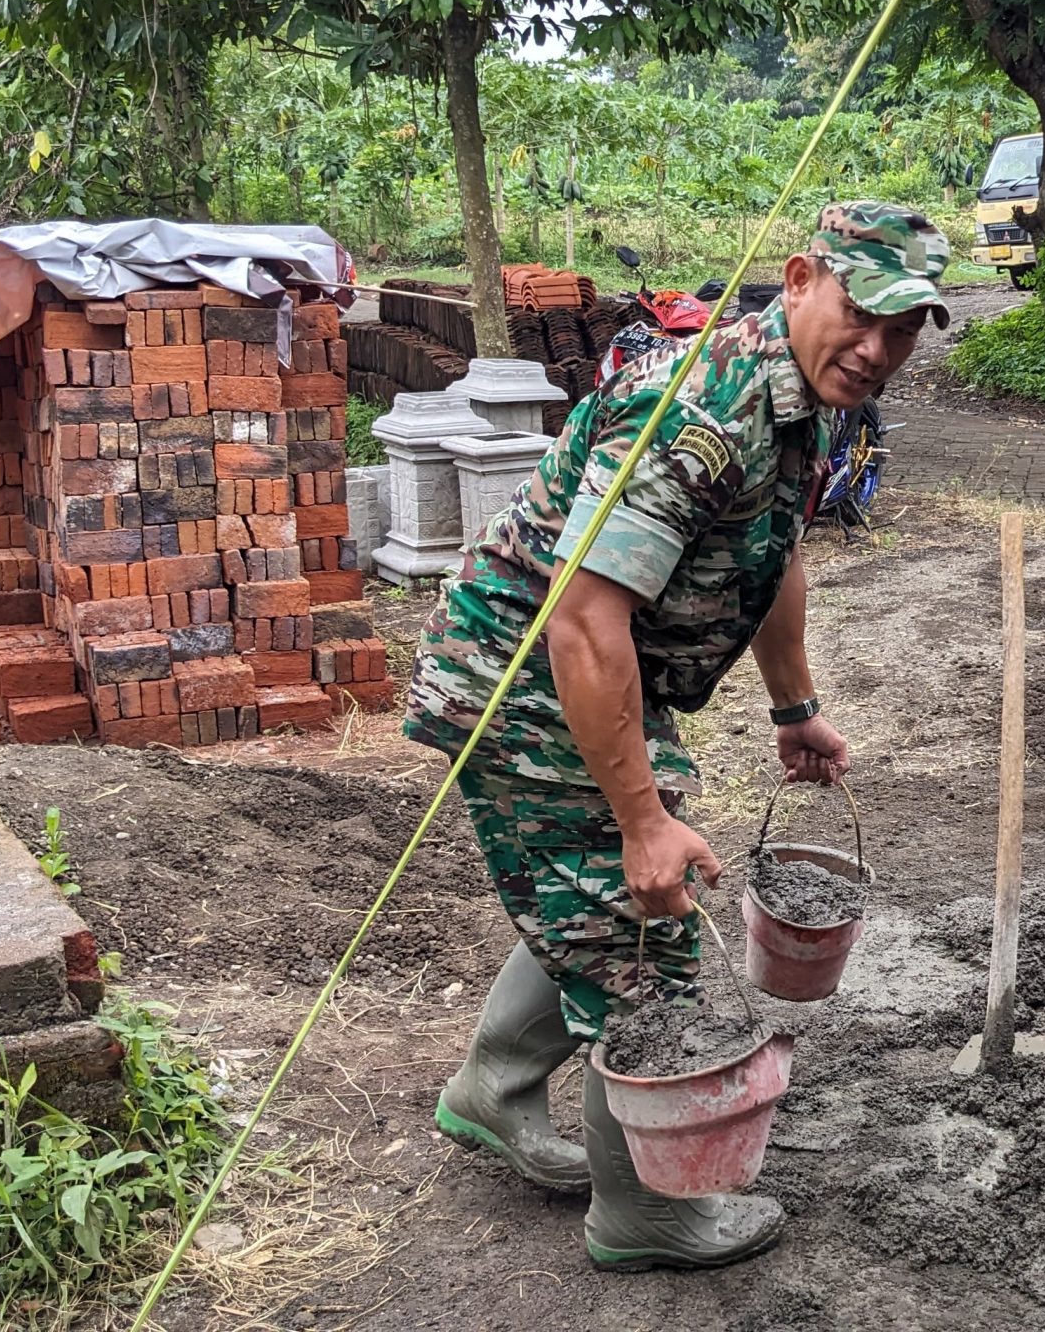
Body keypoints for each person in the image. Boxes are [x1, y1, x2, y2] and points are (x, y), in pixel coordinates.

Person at [406, 202, 950, 1273]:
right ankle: (644, 1212)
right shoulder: (700, 412)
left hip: (590, 669)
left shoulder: (806, 399)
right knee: (642, 923)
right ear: (800, 280)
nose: (876, 349)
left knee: (603, 893)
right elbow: (581, 618)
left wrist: (794, 708)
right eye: (861, 314)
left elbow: (776, 554)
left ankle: (494, 1089)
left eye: (901, 331)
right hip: (522, 674)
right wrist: (642, 818)